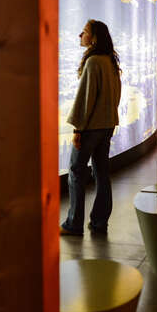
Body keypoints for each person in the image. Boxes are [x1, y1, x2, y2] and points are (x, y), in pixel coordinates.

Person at [60, 19, 122, 236]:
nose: (80, 35)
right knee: (102, 173)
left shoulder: (93, 62)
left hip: (91, 128)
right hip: (107, 126)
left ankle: (73, 223)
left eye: (84, 32)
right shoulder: (110, 61)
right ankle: (99, 222)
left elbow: (85, 99)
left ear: (93, 38)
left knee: (77, 171)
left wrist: (78, 129)